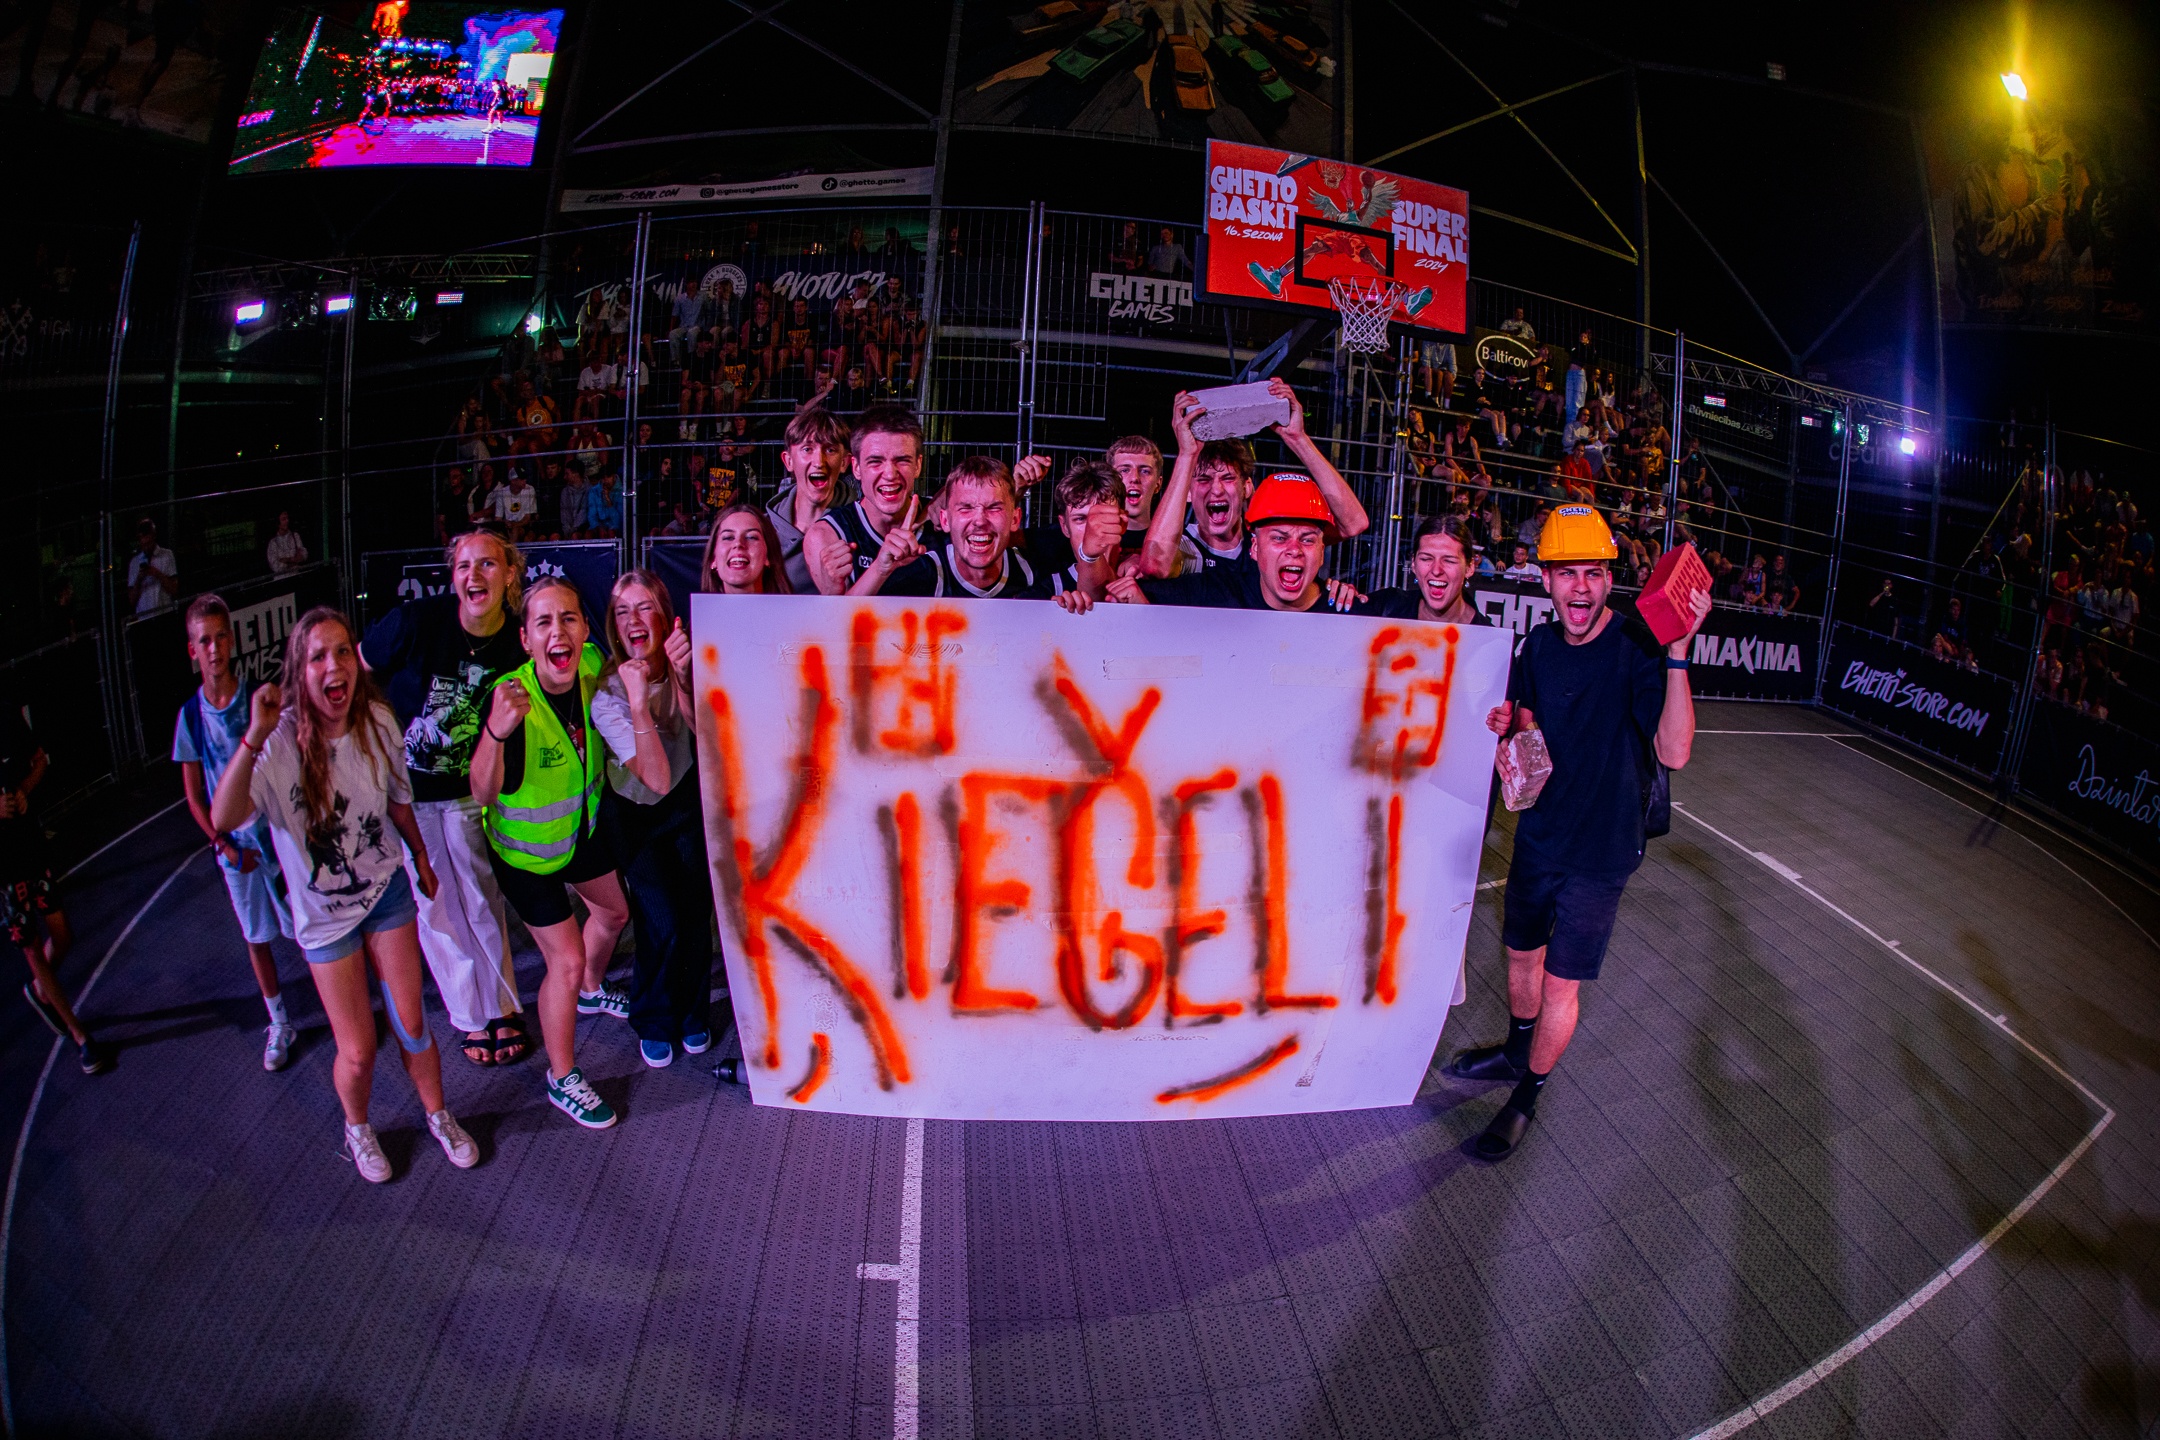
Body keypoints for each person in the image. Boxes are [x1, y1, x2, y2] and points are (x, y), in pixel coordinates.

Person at [1445, 505, 1712, 1161]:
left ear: (1609, 578)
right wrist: (1510, 722)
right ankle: (1517, 1049)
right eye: (1567, 574)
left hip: (1602, 852)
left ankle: (1527, 1094)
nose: (1581, 588)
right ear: (1545, 580)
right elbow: (1526, 719)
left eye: (1593, 573)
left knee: (1561, 983)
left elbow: (1675, 751)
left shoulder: (1637, 648)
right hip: (1540, 834)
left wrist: (1678, 655)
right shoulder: (1537, 646)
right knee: (1520, 956)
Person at [209, 607, 478, 1182]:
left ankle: (439, 1114)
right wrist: (253, 737)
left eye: (341, 652)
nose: (334, 665)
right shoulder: (278, 743)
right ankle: (358, 1128)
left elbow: (398, 799)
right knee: (357, 1050)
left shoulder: (377, 721)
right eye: (317, 657)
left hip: (385, 893)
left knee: (412, 1025)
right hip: (325, 917)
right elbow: (224, 816)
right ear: (298, 672)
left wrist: (421, 857)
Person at [360, 531, 529, 1069]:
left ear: (509, 573)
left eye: (487, 564)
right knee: (436, 906)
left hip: (470, 792)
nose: (473, 575)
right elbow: (360, 666)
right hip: (409, 795)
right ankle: (469, 1014)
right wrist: (374, 745)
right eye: (462, 566)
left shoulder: (517, 641)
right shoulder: (416, 622)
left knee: (480, 898)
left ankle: (502, 1006)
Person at [470, 576, 632, 1130]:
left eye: (568, 618)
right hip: (526, 858)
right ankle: (562, 1078)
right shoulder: (511, 701)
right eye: (543, 622)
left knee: (614, 914)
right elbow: (481, 792)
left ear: (585, 629)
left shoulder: (592, 665)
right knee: (565, 959)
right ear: (526, 640)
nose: (557, 631)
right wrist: (495, 733)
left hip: (579, 834)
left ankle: (592, 991)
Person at [593, 573, 715, 1068]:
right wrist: (639, 699)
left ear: (665, 617)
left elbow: (708, 733)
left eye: (644, 607)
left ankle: (693, 1012)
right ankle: (654, 1017)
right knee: (659, 916)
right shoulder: (608, 692)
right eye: (622, 612)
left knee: (695, 912)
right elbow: (655, 778)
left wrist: (685, 678)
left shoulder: (692, 662)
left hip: (686, 799)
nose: (633, 620)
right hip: (635, 812)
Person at [174, 596, 296, 1071]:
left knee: (305, 925)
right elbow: (194, 796)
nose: (214, 648)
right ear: (193, 650)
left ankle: (338, 999)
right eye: (204, 640)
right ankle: (279, 1021)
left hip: (276, 837)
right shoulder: (190, 717)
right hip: (236, 851)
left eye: (220, 637)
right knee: (256, 935)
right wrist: (222, 844)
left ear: (232, 640)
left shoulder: (257, 700)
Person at [1139, 380, 1368, 579]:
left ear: (1247, 487)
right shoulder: (1186, 548)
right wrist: (1187, 455)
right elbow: (1154, 565)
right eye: (1203, 480)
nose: (1216, 489)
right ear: (1188, 492)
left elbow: (1353, 524)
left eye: (1228, 478)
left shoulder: (1268, 542)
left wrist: (1297, 439)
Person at [0, 698, 111, 1076]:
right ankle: (80, 1037)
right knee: (31, 945)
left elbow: (40, 761)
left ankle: (41, 991)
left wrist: (24, 790)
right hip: (4, 869)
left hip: (28, 845)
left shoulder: (6, 713)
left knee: (62, 935)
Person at [1116, 474, 1349, 613]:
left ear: (1322, 552)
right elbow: (1149, 578)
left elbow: (1355, 523)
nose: (1294, 550)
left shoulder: (1348, 610)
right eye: (1279, 537)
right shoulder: (1219, 592)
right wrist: (1140, 604)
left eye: (1307, 539)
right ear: (1255, 548)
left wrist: (1297, 437)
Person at [872, 457, 1056, 601]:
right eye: (965, 508)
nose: (979, 521)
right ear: (945, 520)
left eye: (994, 508)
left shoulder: (1032, 572)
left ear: (1015, 519)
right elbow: (856, 620)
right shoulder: (928, 572)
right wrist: (880, 569)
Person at [806, 404, 924, 595]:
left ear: (918, 465)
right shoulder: (827, 535)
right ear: (856, 467)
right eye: (875, 462)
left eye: (902, 460)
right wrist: (880, 569)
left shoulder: (943, 520)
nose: (890, 474)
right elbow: (838, 613)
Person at [764, 406, 854, 593]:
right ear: (788, 461)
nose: (819, 462)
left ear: (845, 462)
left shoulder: (862, 525)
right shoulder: (763, 531)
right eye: (807, 449)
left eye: (830, 450)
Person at [1362, 515, 1492, 626]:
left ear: (1469, 567)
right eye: (1426, 559)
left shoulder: (1491, 640)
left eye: (1449, 561)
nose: (1436, 570)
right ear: (1413, 563)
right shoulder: (1384, 608)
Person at [1045, 462, 1129, 606]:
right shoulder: (1045, 593)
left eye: (1101, 517)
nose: (1092, 529)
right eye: (1080, 519)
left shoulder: (1145, 586)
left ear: (1122, 523)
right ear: (1065, 527)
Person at [704, 503, 793, 595]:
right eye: (728, 537)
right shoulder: (696, 604)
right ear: (713, 559)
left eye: (751, 537)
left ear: (768, 556)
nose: (738, 543)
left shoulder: (796, 604)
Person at [1105, 435, 1164, 552]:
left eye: (1145, 471)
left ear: (1158, 484)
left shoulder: (1170, 540)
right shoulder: (1094, 539)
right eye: (1124, 470)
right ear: (1110, 481)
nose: (1135, 478)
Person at [127, 518, 177, 615]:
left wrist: (157, 574)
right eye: (143, 545)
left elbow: (174, 589)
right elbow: (132, 600)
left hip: (164, 613)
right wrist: (138, 580)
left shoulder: (167, 555)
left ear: (154, 537)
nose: (146, 548)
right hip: (144, 617)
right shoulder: (134, 563)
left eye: (149, 543)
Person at [266, 510, 309, 577]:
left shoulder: (295, 536)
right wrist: (292, 562)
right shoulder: (273, 542)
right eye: (284, 519)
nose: (287, 521)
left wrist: (287, 560)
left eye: (287, 518)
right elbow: (275, 566)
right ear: (278, 523)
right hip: (281, 579)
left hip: (295, 575)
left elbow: (304, 554)